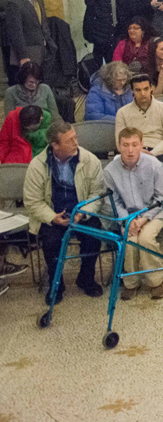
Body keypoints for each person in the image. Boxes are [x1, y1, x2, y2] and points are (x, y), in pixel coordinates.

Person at [24, 122, 105, 303]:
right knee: (51, 242)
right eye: (70, 140)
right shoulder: (37, 166)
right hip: (53, 215)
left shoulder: (90, 160)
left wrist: (82, 213)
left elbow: (97, 195)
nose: (76, 142)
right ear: (55, 145)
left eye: (75, 137)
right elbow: (32, 201)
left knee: (93, 237)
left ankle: (86, 279)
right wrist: (53, 218)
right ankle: (56, 284)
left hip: (81, 212)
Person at [103, 127, 163, 300]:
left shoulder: (155, 165)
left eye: (134, 144)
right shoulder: (110, 171)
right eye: (125, 145)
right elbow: (113, 202)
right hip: (128, 215)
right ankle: (131, 282)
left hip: (154, 212)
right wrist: (128, 220)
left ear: (142, 145)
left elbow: (161, 198)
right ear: (118, 146)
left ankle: (156, 280)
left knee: (145, 239)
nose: (130, 150)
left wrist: (144, 220)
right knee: (130, 241)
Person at [114, 74, 163, 161]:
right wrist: (136, 151)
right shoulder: (122, 112)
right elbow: (119, 142)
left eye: (146, 89)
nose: (143, 93)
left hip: (159, 152)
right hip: (132, 151)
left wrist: (151, 154)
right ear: (132, 91)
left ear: (151, 88)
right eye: (138, 90)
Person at [7, 0, 53, 68]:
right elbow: (16, 32)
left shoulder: (39, 1)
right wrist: (23, 56)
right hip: (29, 52)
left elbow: (44, 25)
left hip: (45, 49)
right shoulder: (15, 3)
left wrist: (50, 45)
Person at [0, 0, 19, 84]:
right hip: (5, 34)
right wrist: (8, 15)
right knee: (10, 64)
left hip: (22, 31)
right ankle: (14, 90)